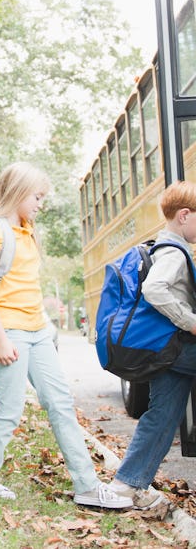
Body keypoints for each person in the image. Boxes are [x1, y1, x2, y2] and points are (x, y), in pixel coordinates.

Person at [0, 162, 131, 509]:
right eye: (37, 196)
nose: (40, 203)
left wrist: (47, 324)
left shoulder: (28, 231)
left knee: (60, 404)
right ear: (17, 193)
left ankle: (87, 485)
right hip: (9, 330)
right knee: (10, 409)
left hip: (38, 331)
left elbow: (29, 284)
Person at [106, 181, 196, 510]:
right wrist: (190, 321)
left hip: (162, 350)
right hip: (175, 345)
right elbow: (155, 290)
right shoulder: (173, 251)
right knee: (162, 415)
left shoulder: (160, 246)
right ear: (184, 215)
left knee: (162, 416)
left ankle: (125, 485)